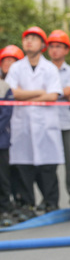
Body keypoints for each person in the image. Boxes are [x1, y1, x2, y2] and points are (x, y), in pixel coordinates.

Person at [5, 27, 64, 221]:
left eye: (33, 39)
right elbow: (13, 93)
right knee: (24, 167)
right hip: (22, 126)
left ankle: (51, 203)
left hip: (46, 125)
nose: (29, 42)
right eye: (26, 38)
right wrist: (39, 93)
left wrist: (26, 94)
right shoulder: (15, 68)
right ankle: (27, 204)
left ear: (42, 45)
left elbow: (53, 95)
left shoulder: (50, 68)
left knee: (48, 167)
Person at [47, 29, 70, 208]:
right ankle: (50, 199)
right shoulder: (44, 69)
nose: (54, 50)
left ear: (66, 50)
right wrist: (55, 93)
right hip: (47, 123)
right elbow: (61, 93)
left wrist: (50, 93)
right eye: (52, 46)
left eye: (59, 46)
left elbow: (67, 92)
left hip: (67, 122)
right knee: (48, 163)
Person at [0, 77, 14, 226]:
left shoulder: (4, 87)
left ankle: (4, 210)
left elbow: (6, 113)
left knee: (2, 177)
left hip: (1, 141)